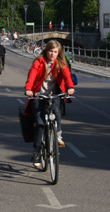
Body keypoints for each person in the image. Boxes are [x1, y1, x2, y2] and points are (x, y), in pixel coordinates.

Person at [24, 40, 75, 168]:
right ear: (46, 51)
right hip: (38, 95)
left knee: (57, 112)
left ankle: (58, 136)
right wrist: (28, 89)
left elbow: (67, 76)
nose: (52, 54)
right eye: (50, 51)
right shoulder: (39, 62)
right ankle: (36, 153)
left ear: (58, 53)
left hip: (54, 94)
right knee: (40, 123)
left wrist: (70, 87)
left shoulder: (60, 64)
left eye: (55, 52)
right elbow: (32, 75)